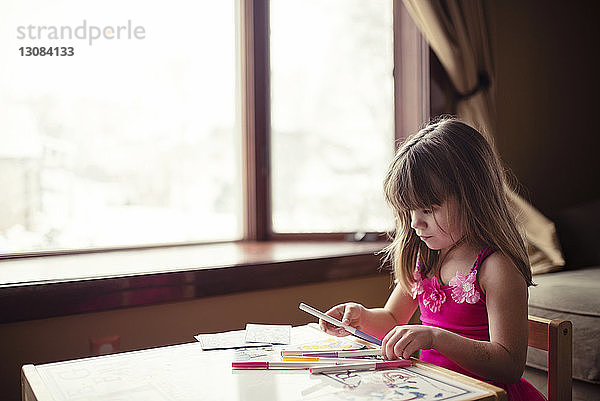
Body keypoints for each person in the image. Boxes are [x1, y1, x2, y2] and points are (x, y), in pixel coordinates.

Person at [320, 118, 546, 400]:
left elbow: (509, 365)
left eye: (428, 209)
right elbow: (392, 319)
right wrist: (360, 316)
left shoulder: (496, 268)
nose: (416, 223)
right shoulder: (425, 260)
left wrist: (435, 338)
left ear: (472, 197)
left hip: (486, 395)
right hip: (435, 389)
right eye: (410, 211)